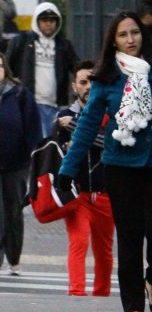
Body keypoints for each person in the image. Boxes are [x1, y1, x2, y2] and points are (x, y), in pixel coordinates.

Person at [58, 12, 152, 312]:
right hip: (120, 166)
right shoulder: (106, 78)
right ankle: (133, 304)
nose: (131, 39)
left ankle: (150, 278)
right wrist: (67, 170)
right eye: (124, 34)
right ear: (113, 40)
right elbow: (85, 126)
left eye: (135, 33)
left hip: (151, 163)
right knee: (129, 235)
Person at [0, 50, 42, 278]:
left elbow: (33, 129)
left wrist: (35, 159)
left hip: (17, 162)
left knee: (14, 210)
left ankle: (14, 258)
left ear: (5, 69)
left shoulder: (20, 94)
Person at [56, 60, 114, 297]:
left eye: (92, 81)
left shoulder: (110, 114)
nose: (88, 86)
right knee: (78, 242)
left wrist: (76, 128)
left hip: (104, 193)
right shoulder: (64, 116)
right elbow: (57, 150)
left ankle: (101, 293)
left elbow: (109, 145)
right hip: (76, 193)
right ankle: (76, 292)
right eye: (83, 82)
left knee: (104, 249)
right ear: (74, 87)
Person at [5, 1, 79, 136]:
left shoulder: (64, 45)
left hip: (56, 106)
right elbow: (7, 68)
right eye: (44, 19)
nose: (48, 23)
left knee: (51, 145)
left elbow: (77, 68)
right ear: (36, 21)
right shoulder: (21, 42)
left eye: (52, 19)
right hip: (30, 104)